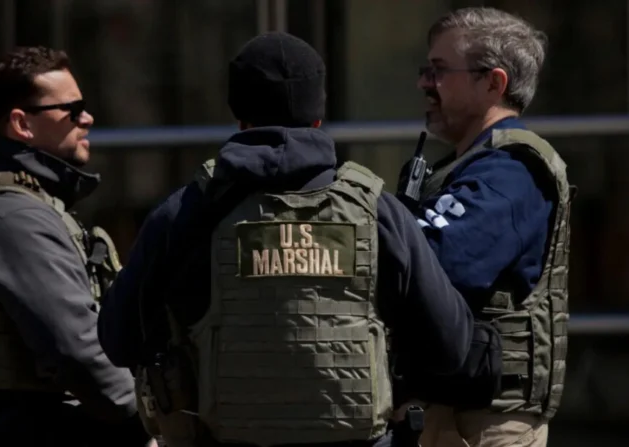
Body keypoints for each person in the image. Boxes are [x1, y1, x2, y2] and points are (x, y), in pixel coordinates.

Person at [97, 31, 476, 447]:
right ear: (318, 116)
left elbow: (119, 341)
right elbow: (451, 348)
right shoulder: (379, 212)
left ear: (240, 117)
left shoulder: (184, 214)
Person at [0, 46, 150, 447]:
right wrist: (149, 423)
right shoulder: (14, 219)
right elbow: (76, 350)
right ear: (22, 124)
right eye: (71, 110)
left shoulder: (26, 207)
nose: (87, 118)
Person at [399, 7, 574, 447]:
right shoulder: (470, 164)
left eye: (439, 71)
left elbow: (435, 263)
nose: (425, 83)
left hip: (485, 424)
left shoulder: (512, 171)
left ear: (493, 83)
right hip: (454, 414)